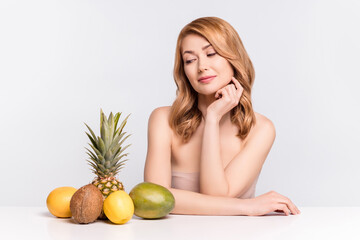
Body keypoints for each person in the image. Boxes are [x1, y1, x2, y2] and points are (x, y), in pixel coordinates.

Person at [144, 16, 300, 216]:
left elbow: (216, 195)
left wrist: (212, 120)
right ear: (184, 72)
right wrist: (248, 206)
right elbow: (153, 198)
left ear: (233, 58)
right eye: (190, 60)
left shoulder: (261, 129)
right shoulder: (163, 120)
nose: (202, 66)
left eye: (211, 53)